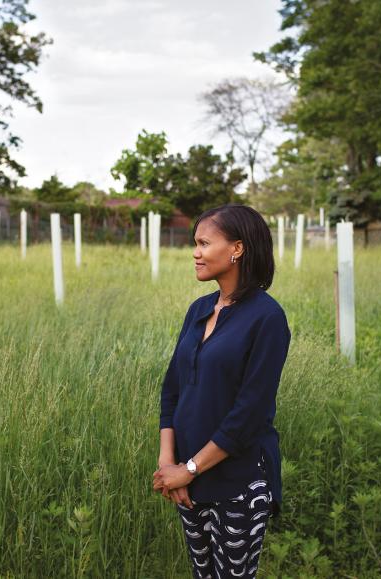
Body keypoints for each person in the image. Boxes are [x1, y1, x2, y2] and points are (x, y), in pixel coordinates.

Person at [152, 204, 291, 578]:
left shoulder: (267, 318)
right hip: (186, 480)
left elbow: (249, 413)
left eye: (204, 243)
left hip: (238, 480)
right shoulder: (198, 309)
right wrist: (169, 464)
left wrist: (190, 468)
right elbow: (172, 389)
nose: (195, 253)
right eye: (194, 244)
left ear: (237, 248)